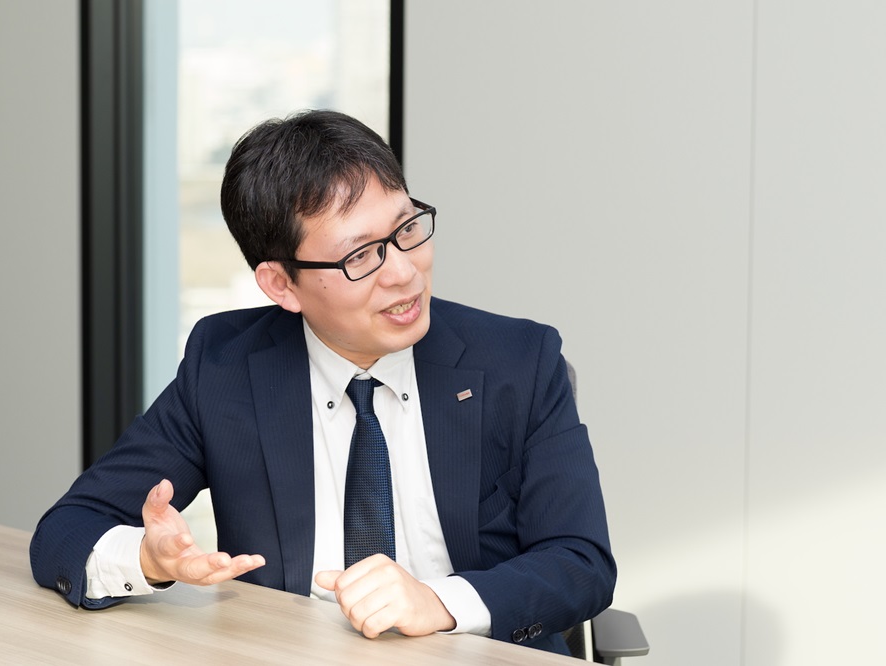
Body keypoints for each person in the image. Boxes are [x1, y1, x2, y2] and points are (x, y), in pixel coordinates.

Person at [30, 109, 615, 654]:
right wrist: (147, 557)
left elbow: (580, 561)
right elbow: (66, 531)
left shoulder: (519, 361)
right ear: (281, 286)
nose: (405, 272)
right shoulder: (226, 367)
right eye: (361, 257)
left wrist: (438, 601)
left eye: (408, 228)